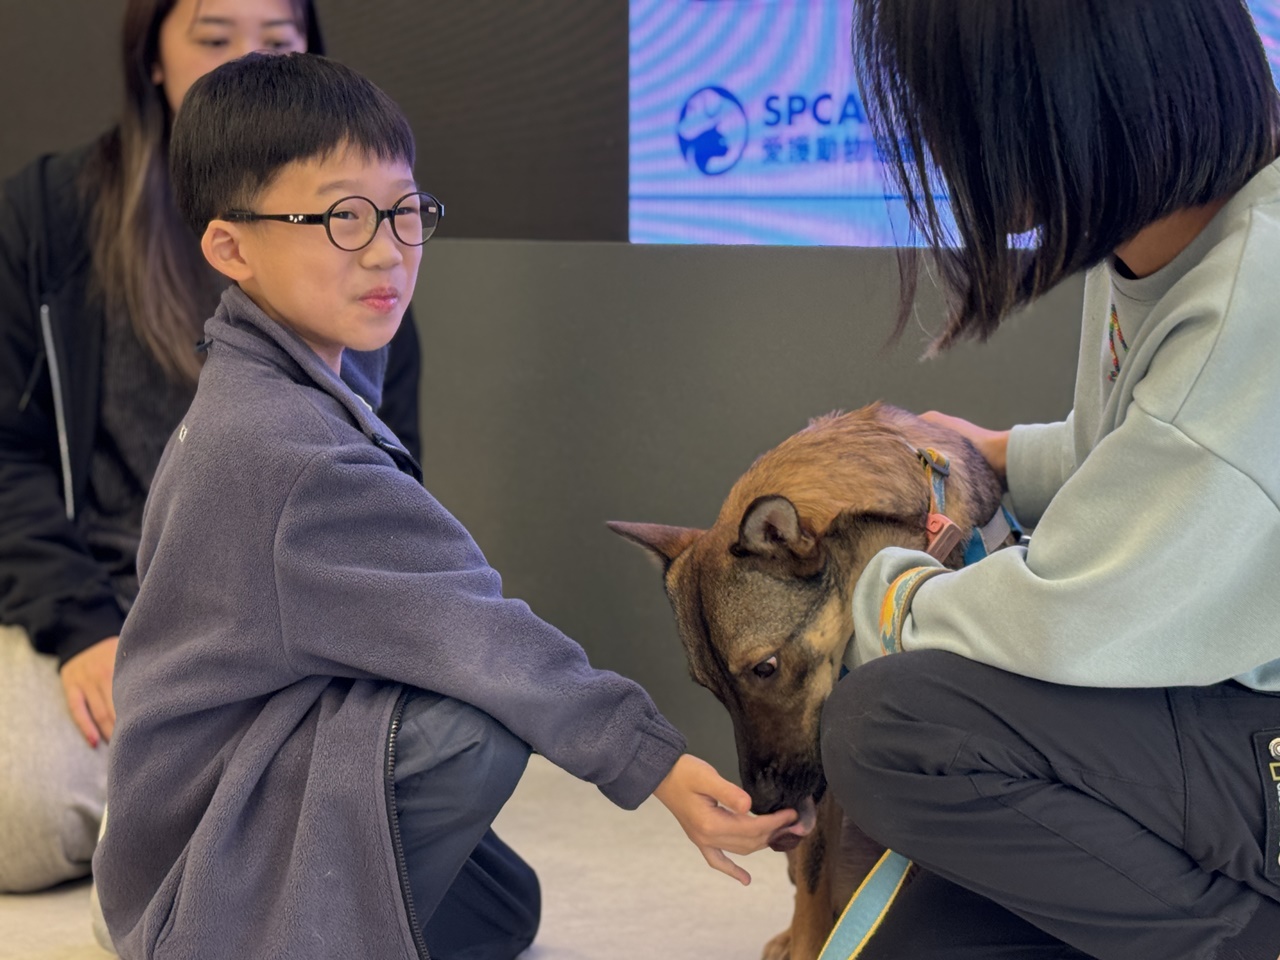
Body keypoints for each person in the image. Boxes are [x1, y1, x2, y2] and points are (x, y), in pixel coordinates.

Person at [92, 52, 804, 960]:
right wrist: (654, 762)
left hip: (216, 807)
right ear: (232, 248)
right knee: (476, 721)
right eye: (343, 217)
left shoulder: (261, 385)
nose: (387, 249)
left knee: (504, 915)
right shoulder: (285, 450)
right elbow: (479, 630)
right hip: (208, 869)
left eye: (403, 210)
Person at [817, 1, 1280, 958]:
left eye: (957, 114)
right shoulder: (1166, 234)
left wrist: (875, 594)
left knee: (889, 727)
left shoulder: (1253, 290)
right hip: (1234, 699)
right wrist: (998, 455)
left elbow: (1073, 614)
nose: (944, 153)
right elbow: (1163, 460)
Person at [0, 0, 422, 896]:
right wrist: (81, 628)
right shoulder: (46, 215)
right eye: (214, 37)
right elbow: (8, 454)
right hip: (98, 598)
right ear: (152, 55)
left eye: (276, 41)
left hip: (278, 612)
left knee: (424, 776)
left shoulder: (365, 235)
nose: (243, 65)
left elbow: (392, 479)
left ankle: (205, 822)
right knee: (23, 821)